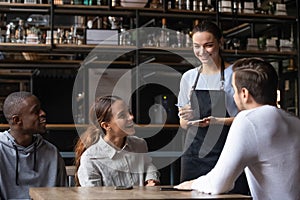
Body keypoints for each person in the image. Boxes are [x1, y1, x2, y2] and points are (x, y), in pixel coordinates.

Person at [175, 57, 300, 199]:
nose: (234, 96)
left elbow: (218, 184)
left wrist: (192, 184)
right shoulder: (294, 120)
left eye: (234, 91)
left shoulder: (247, 119)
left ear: (245, 94)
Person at [177, 20, 248, 193]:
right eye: (196, 46)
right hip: (194, 154)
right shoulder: (189, 77)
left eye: (208, 45)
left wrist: (218, 121)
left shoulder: (236, 74)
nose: (202, 52)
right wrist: (189, 119)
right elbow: (183, 125)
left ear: (220, 42)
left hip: (226, 151)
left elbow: (247, 119)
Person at [75, 95, 160, 187]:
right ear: (106, 126)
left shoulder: (140, 144)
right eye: (122, 115)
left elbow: (148, 165)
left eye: (129, 112)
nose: (131, 117)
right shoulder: (90, 158)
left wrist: (151, 178)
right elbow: (93, 195)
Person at [0, 91, 67, 200]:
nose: (43, 113)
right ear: (17, 120)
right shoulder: (1, 150)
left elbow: (63, 194)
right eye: (36, 111)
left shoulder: (52, 152)